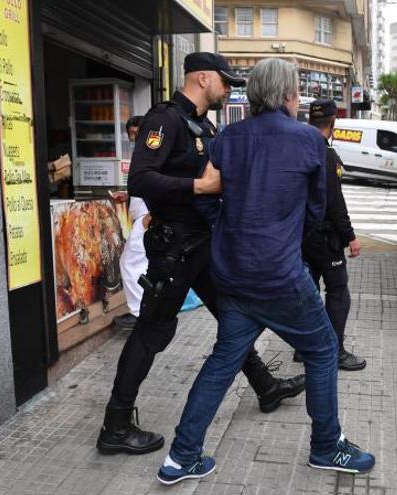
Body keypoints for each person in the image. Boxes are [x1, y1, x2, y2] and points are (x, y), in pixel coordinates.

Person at [157, 58, 375, 485]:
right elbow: (316, 209)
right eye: (296, 92)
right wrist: (285, 233)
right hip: (280, 275)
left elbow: (204, 194)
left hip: (233, 274)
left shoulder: (229, 138)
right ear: (288, 95)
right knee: (324, 349)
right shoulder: (310, 142)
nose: (298, 99)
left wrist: (227, 227)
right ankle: (327, 446)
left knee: (223, 359)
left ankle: (181, 457)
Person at [97, 53, 306, 457]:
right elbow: (140, 179)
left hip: (203, 246)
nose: (228, 89)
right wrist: (198, 187)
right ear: (203, 78)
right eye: (224, 82)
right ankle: (115, 425)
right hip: (175, 250)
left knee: (235, 316)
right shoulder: (165, 120)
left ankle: (265, 385)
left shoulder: (204, 124)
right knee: (152, 332)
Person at [294, 99, 365, 371]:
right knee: (338, 290)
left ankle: (304, 348)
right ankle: (334, 351)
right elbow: (335, 203)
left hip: (301, 235)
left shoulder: (298, 150)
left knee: (308, 291)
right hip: (325, 238)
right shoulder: (327, 155)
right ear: (333, 124)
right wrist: (350, 236)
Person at [112, 115, 150, 330]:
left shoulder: (151, 153)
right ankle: (144, 310)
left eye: (138, 133)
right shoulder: (141, 153)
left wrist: (151, 216)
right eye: (132, 134)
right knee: (138, 264)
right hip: (143, 216)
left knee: (130, 263)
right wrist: (128, 196)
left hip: (147, 218)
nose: (135, 137)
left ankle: (139, 314)